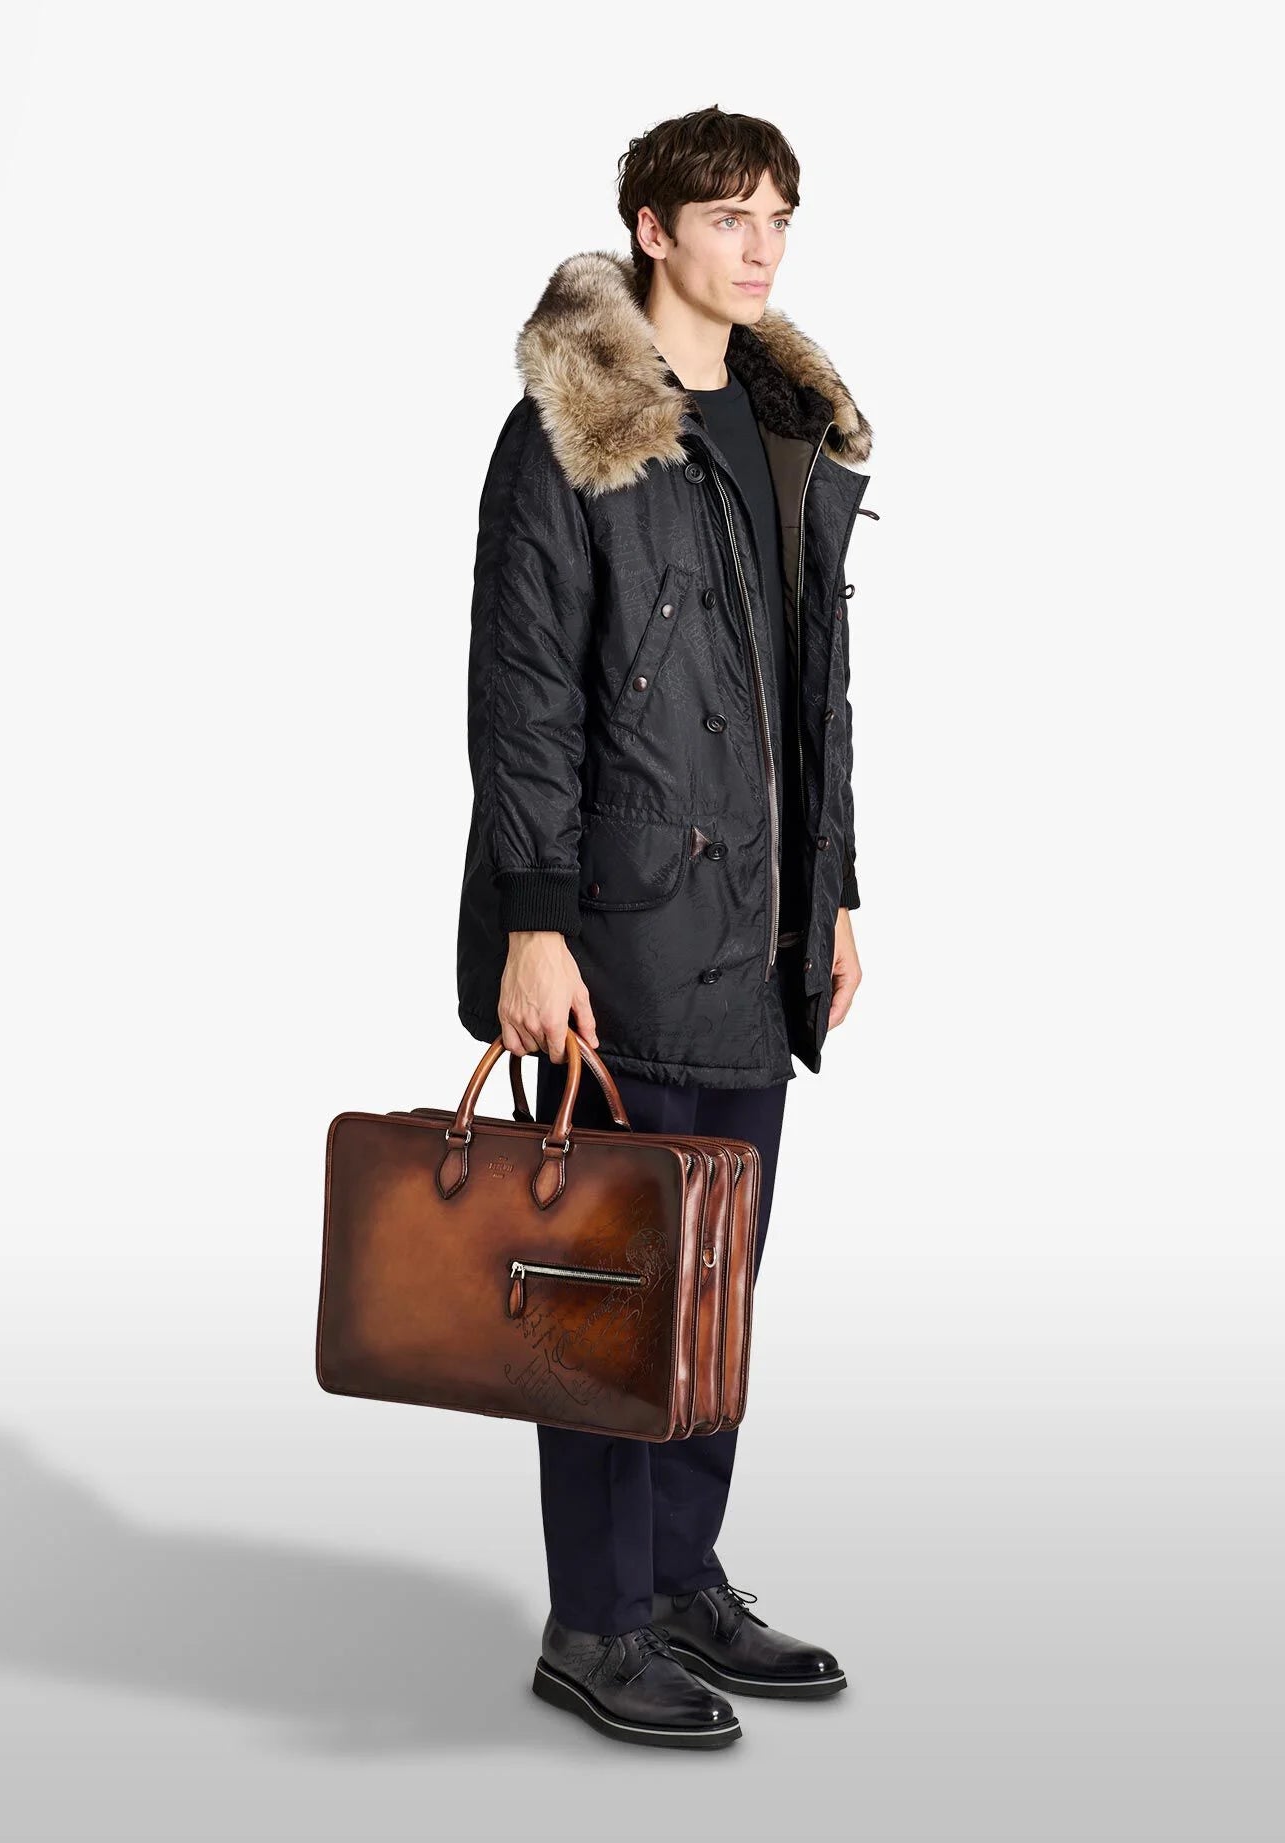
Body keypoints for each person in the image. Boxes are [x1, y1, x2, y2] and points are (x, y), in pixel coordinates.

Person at [454, 105, 874, 1749]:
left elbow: (813, 697)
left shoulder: (782, 429)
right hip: (615, 932)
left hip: (757, 928)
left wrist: (837, 890)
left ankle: (684, 1579)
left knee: (712, 1283)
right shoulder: (572, 430)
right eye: (727, 217)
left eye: (779, 217)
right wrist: (533, 924)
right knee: (604, 1291)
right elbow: (523, 694)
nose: (761, 247)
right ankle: (597, 1622)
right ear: (652, 228)